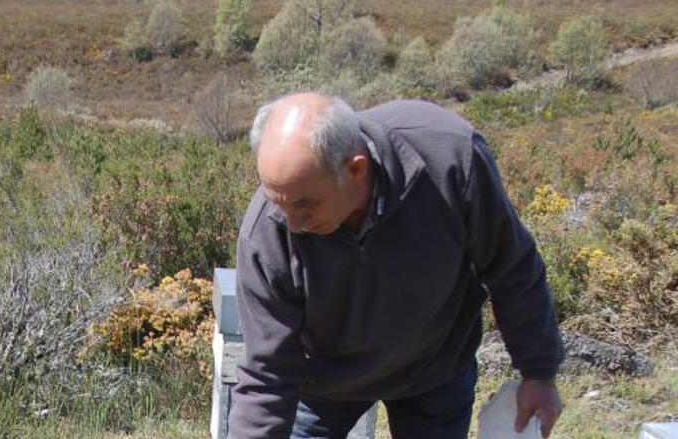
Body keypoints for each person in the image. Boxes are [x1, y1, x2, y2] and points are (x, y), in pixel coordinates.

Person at [227, 93, 564, 439]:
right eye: (276, 200)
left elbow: (512, 267)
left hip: (434, 367)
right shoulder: (267, 232)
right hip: (325, 384)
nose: (292, 223)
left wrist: (538, 372)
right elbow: (268, 373)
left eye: (306, 205)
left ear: (355, 169)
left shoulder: (449, 158)